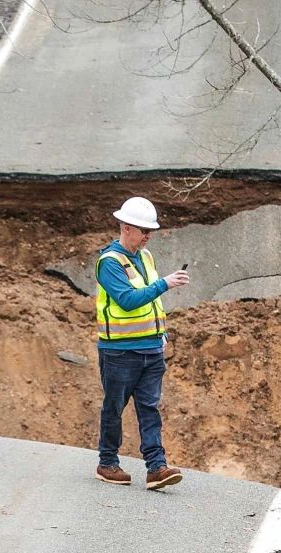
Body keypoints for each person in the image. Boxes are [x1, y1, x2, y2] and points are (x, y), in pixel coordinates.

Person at [94, 197, 189, 490]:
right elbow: (127, 300)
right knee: (114, 407)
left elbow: (152, 303)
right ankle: (107, 463)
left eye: (151, 230)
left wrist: (161, 333)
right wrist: (165, 283)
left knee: (150, 408)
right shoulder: (109, 262)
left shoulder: (146, 257)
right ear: (126, 228)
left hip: (151, 348)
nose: (149, 236)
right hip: (119, 351)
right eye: (144, 230)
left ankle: (156, 467)